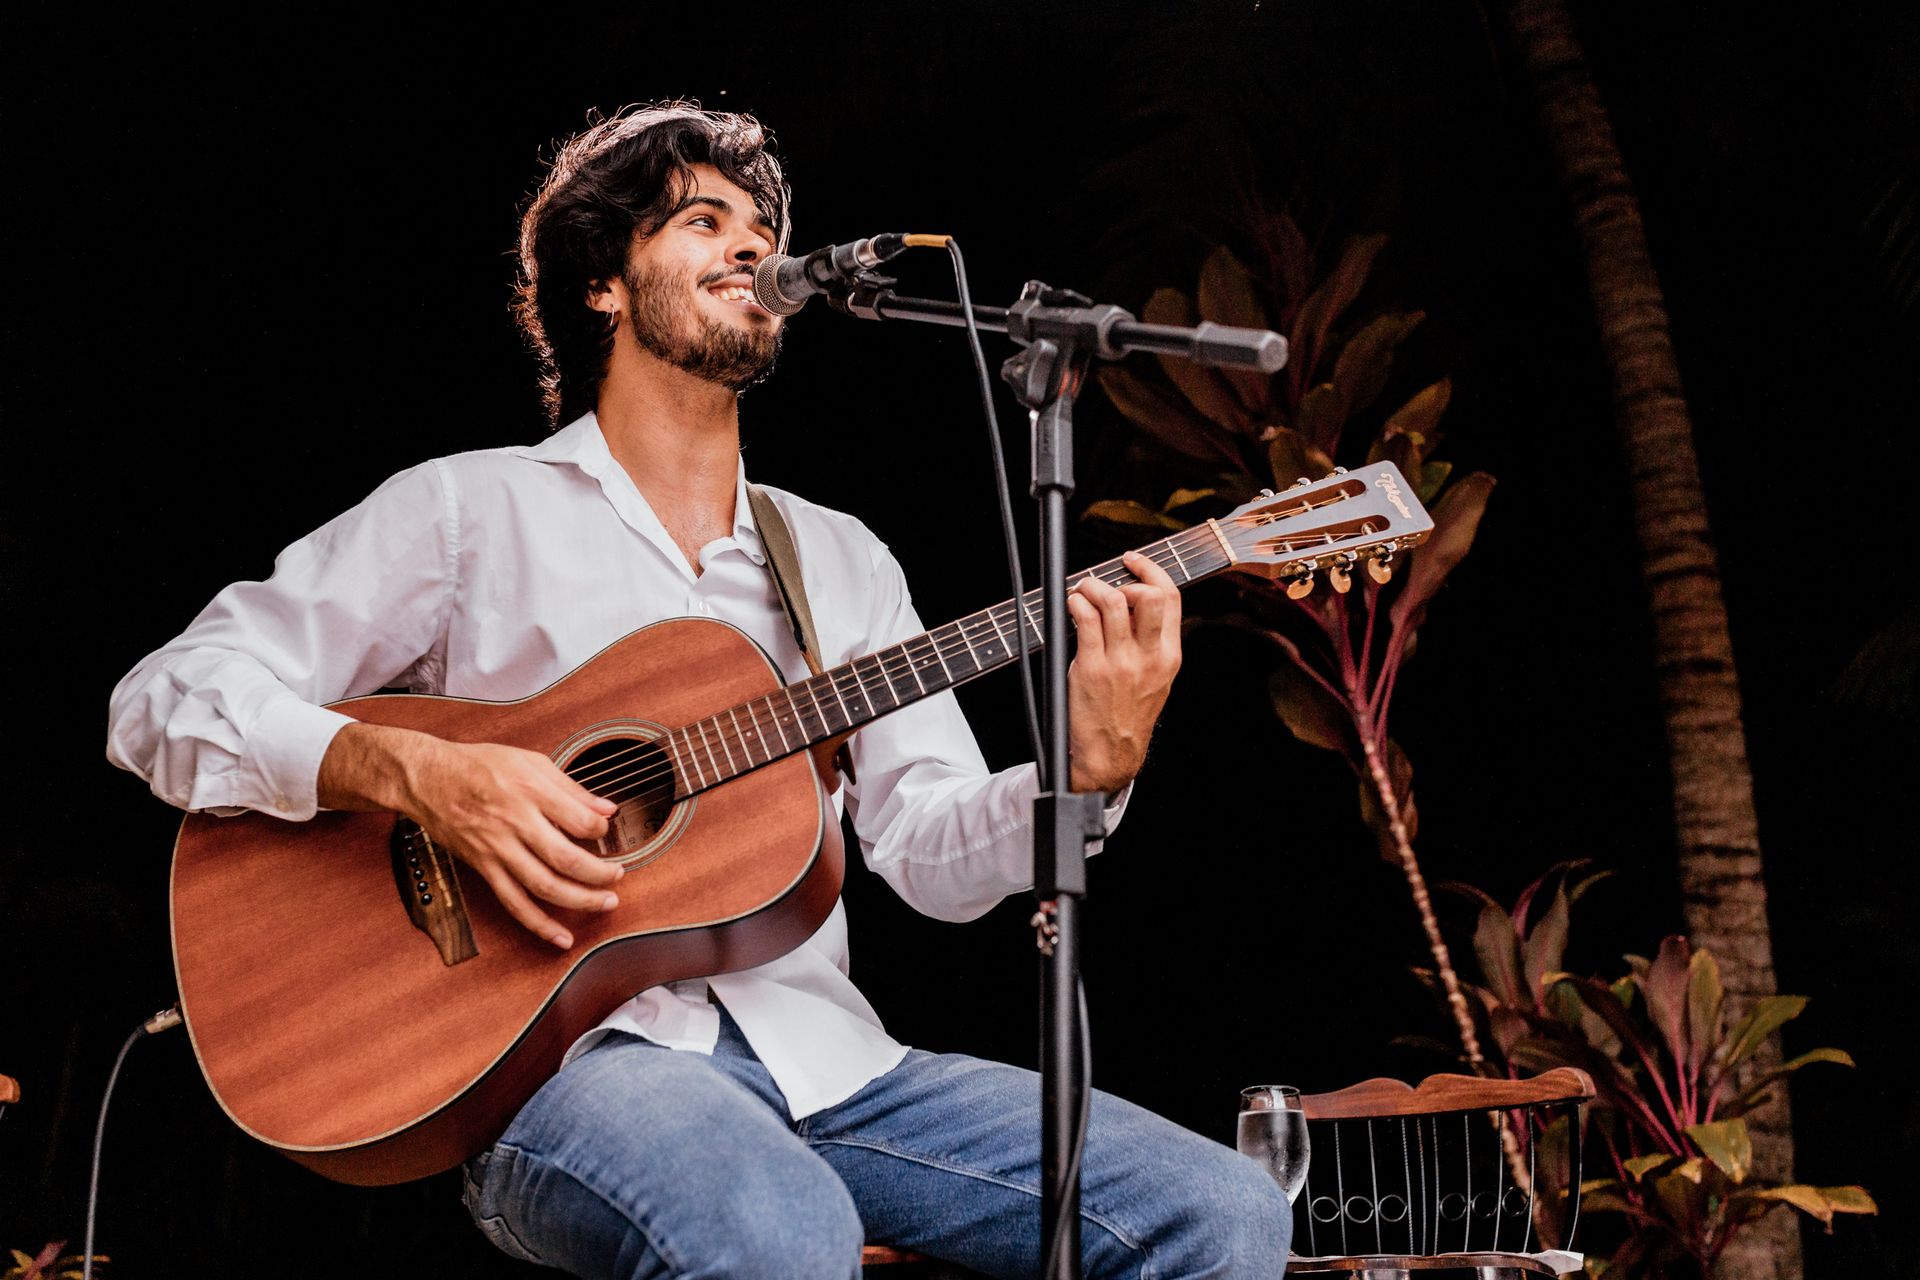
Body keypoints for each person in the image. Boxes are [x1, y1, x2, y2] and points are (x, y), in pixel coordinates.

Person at [106, 103, 1290, 1279]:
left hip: (835, 1070)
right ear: (603, 284)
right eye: (703, 221)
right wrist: (418, 770)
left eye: (762, 227)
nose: (752, 245)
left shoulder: (835, 558)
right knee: (777, 1227)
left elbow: (928, 849)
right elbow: (165, 695)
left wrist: (1090, 771)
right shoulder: (468, 513)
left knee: (1224, 1213)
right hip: (566, 1070)